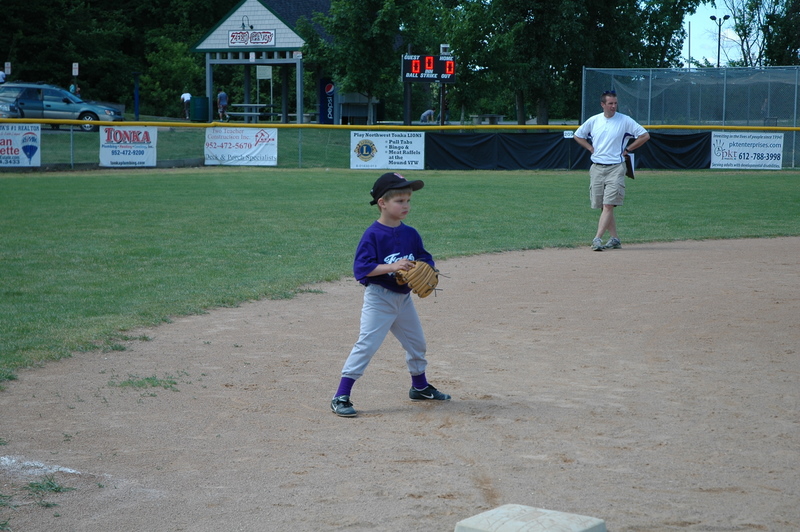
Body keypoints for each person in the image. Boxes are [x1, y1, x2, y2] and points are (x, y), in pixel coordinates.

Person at [330, 172, 451, 417]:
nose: (406, 205)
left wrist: (424, 268)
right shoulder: (373, 234)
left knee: (417, 344)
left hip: (403, 299)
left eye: (408, 200)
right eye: (399, 201)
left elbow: (424, 258)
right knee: (367, 345)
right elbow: (362, 268)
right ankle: (341, 396)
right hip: (379, 299)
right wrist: (392, 267)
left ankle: (419, 387)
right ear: (382, 203)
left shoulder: (411, 233)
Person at [574, 90, 650, 251]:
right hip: (597, 167)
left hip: (616, 167)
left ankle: (597, 239)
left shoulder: (625, 120)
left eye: (615, 103)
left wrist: (628, 149)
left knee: (608, 204)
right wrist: (590, 148)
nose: (613, 106)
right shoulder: (594, 120)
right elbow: (578, 135)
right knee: (603, 206)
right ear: (603, 104)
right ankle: (615, 239)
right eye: (610, 103)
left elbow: (644, 136)